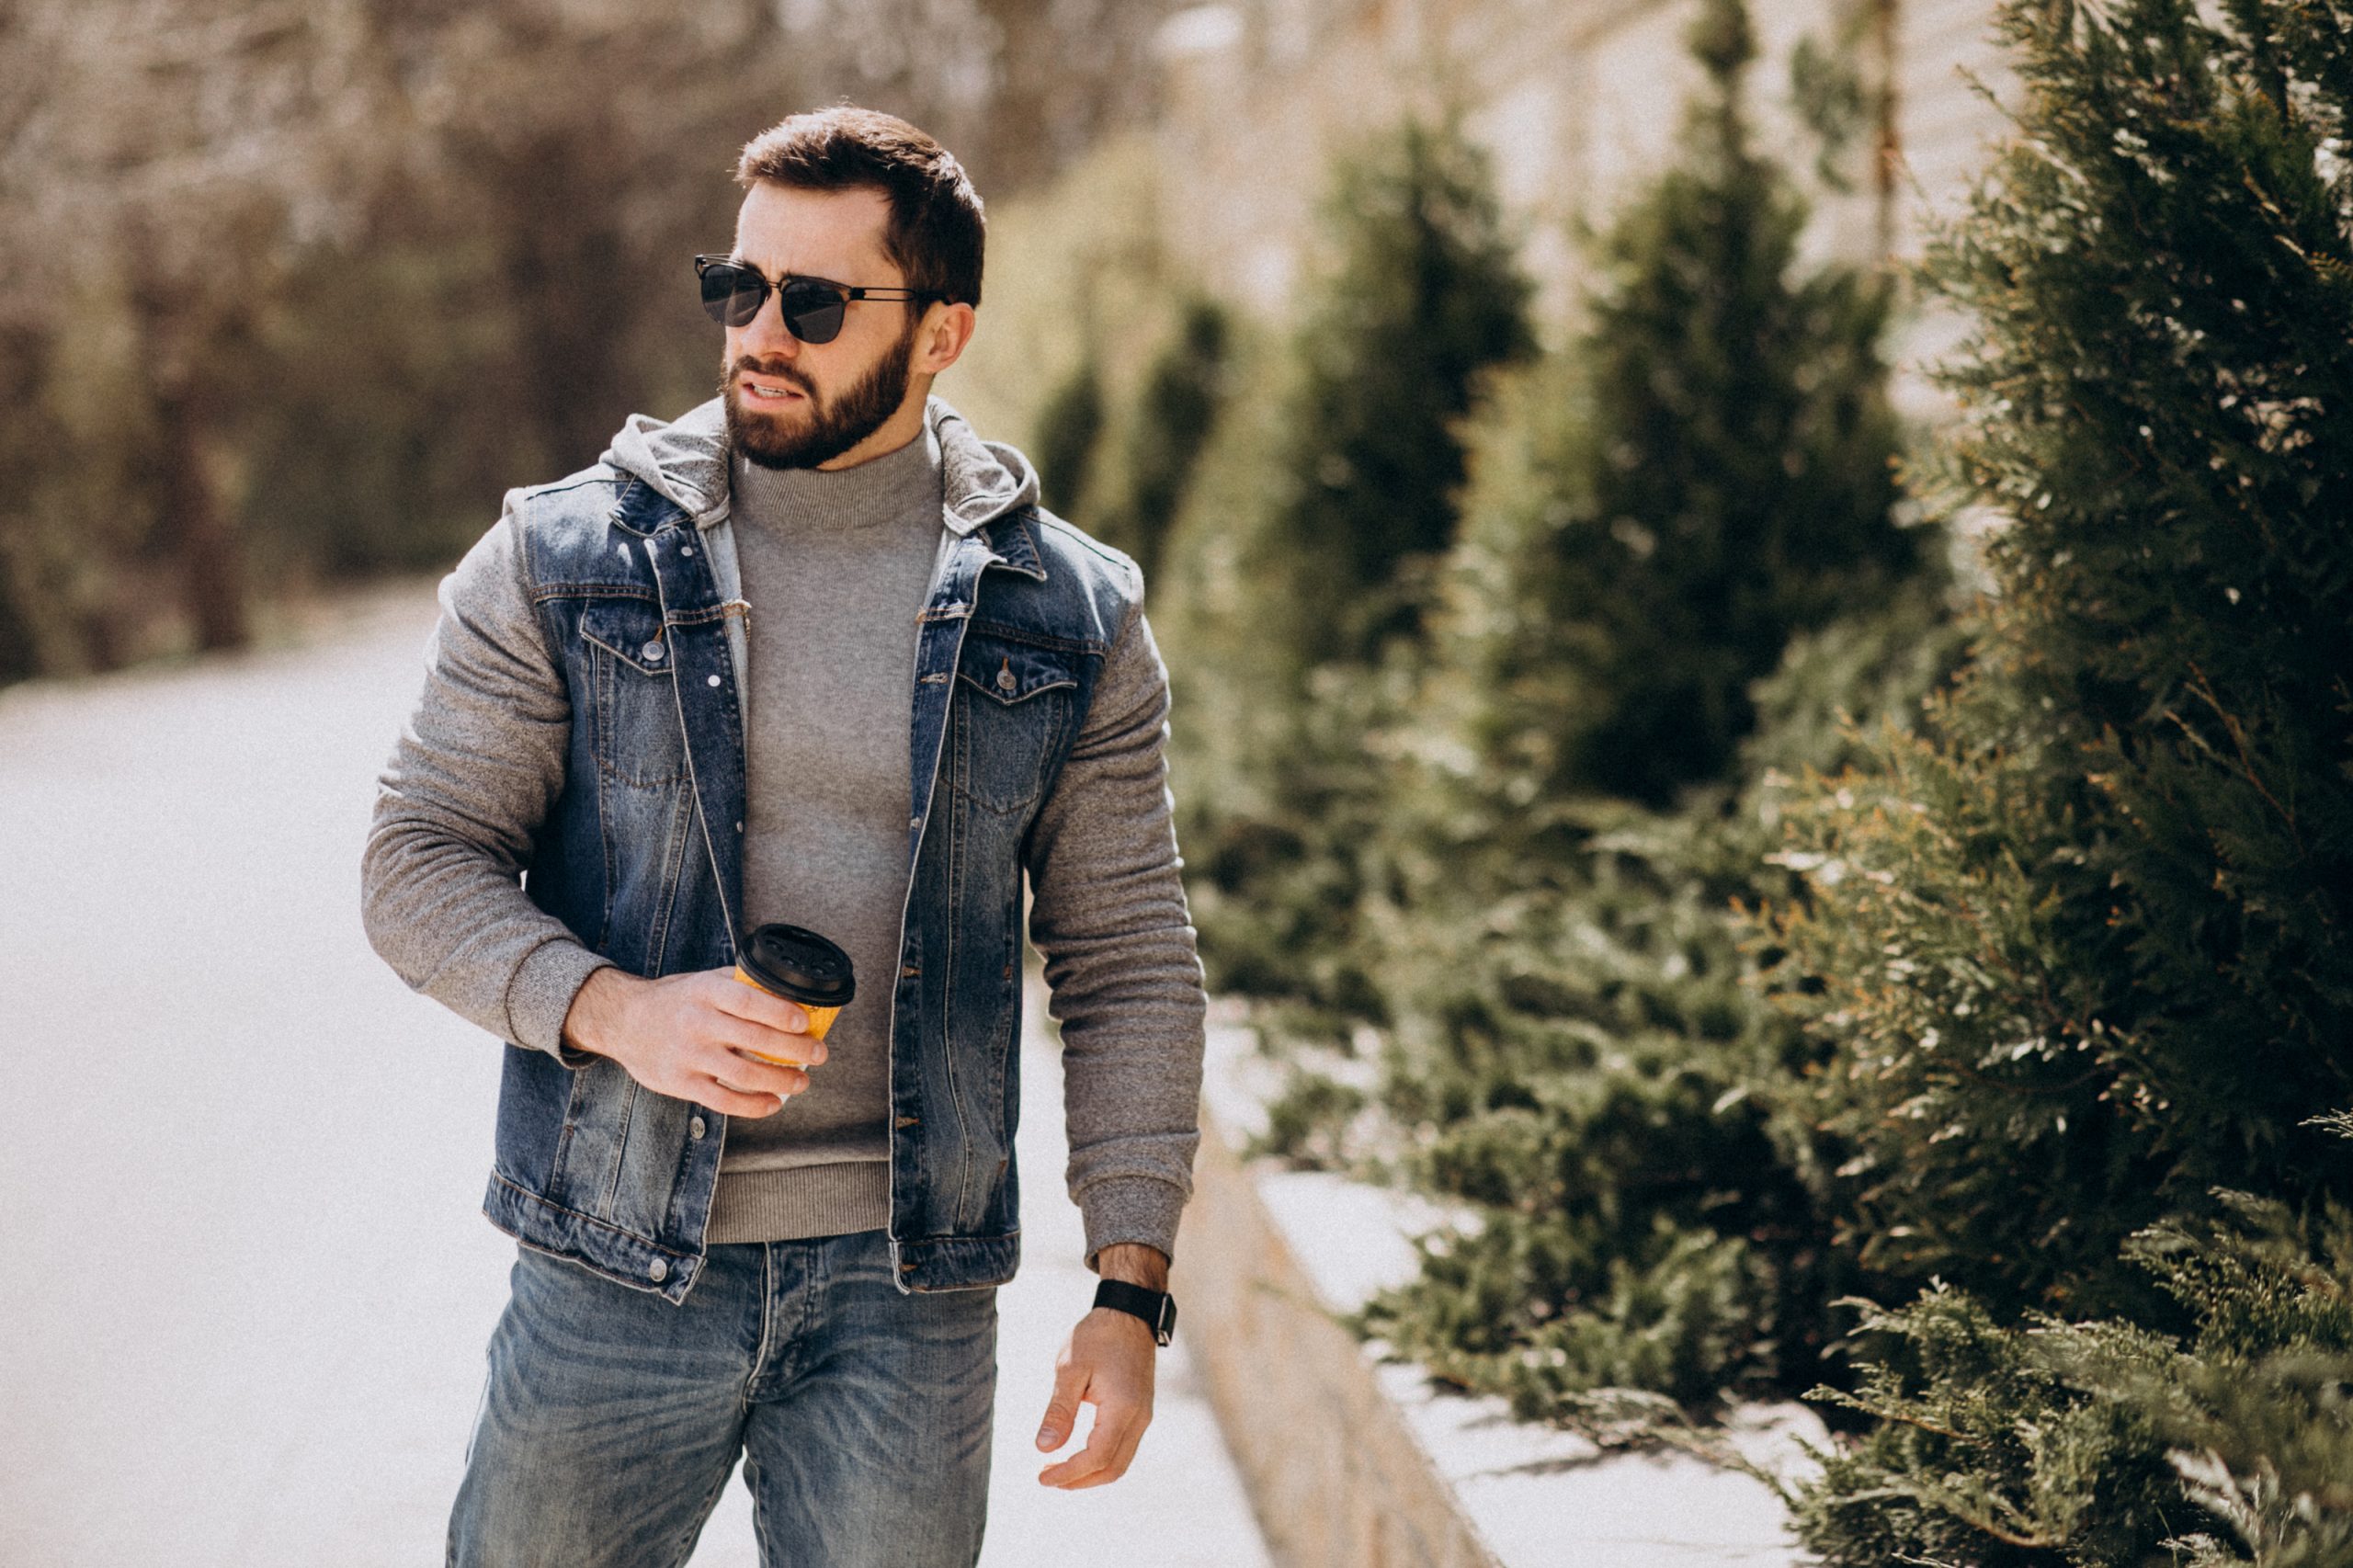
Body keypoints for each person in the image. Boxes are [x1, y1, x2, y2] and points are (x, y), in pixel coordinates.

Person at [361, 105, 1206, 1568]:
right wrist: (615, 1009)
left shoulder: (1071, 616)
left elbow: (1128, 962)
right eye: (736, 286)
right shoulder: (566, 562)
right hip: (614, 1262)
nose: (760, 330)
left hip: (909, 1289)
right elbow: (416, 858)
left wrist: (1130, 1294)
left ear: (943, 332)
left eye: (814, 302)